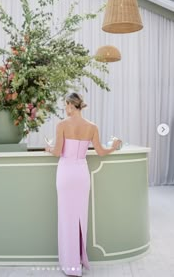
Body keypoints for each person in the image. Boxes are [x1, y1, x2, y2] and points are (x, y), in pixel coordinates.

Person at [45, 92, 122, 277]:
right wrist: (115, 145)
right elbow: (101, 152)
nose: (65, 108)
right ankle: (79, 261)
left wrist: (47, 147)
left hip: (65, 173)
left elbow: (57, 152)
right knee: (81, 216)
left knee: (66, 217)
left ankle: (69, 264)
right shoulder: (92, 127)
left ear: (72, 105)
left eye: (66, 105)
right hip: (81, 173)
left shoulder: (62, 125)